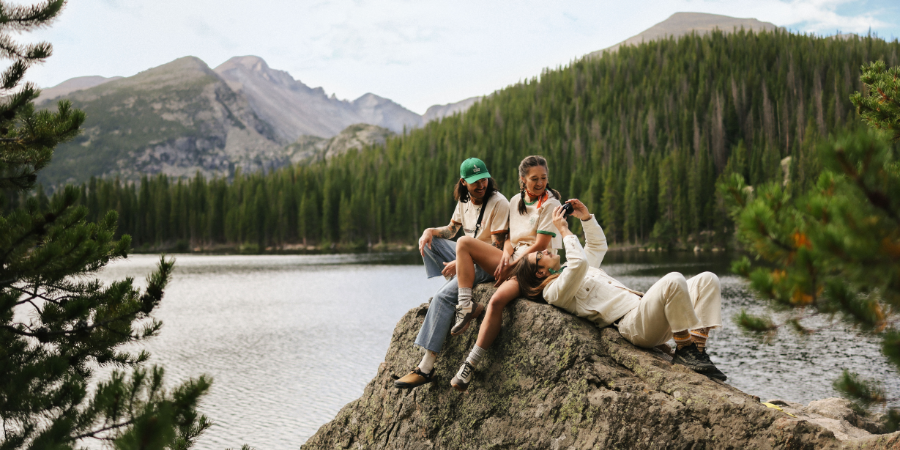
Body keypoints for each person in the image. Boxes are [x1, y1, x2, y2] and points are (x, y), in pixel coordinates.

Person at [507, 199, 727, 384]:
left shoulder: (570, 268)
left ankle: (695, 350)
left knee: (708, 279)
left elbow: (597, 247)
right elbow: (579, 264)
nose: (545, 250)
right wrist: (563, 230)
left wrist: (585, 218)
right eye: (540, 256)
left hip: (648, 312)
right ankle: (685, 348)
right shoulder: (553, 292)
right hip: (633, 325)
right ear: (540, 273)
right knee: (673, 280)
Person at [448, 155, 564, 391]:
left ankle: (470, 362)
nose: (540, 183)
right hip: (514, 259)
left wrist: (513, 264)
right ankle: (466, 307)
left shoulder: (550, 203)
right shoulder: (514, 201)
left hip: (535, 265)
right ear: (522, 180)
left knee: (498, 298)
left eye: (543, 178)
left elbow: (541, 244)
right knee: (464, 246)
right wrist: (505, 255)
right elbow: (509, 237)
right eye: (534, 179)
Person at [393, 158, 510, 389]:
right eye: (475, 181)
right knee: (430, 243)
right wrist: (429, 231)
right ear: (464, 182)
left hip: (487, 264)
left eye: (484, 179)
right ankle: (458, 282)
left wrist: (461, 262)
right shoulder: (464, 201)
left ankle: (425, 368)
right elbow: (450, 230)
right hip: (467, 255)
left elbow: (497, 248)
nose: (481, 185)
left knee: (442, 297)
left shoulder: (499, 203)